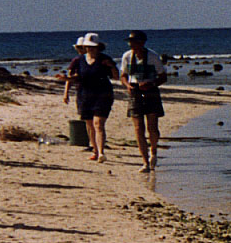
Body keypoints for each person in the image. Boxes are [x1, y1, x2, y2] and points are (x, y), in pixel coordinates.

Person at [62, 33, 117, 162]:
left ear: (99, 47)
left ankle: (101, 152)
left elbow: (115, 76)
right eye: (87, 46)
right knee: (90, 124)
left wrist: (112, 66)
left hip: (103, 95)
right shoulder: (79, 60)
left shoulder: (105, 59)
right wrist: (66, 81)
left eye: (93, 47)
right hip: (85, 95)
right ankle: (95, 150)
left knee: (99, 124)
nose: (90, 49)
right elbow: (76, 77)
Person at [119, 30, 167, 172]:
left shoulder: (152, 57)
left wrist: (151, 84)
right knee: (138, 128)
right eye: (130, 42)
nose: (132, 45)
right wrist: (127, 85)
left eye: (134, 42)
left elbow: (163, 77)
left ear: (142, 43)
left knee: (152, 126)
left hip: (150, 90)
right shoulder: (127, 56)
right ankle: (145, 161)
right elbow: (123, 75)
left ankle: (153, 150)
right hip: (135, 90)